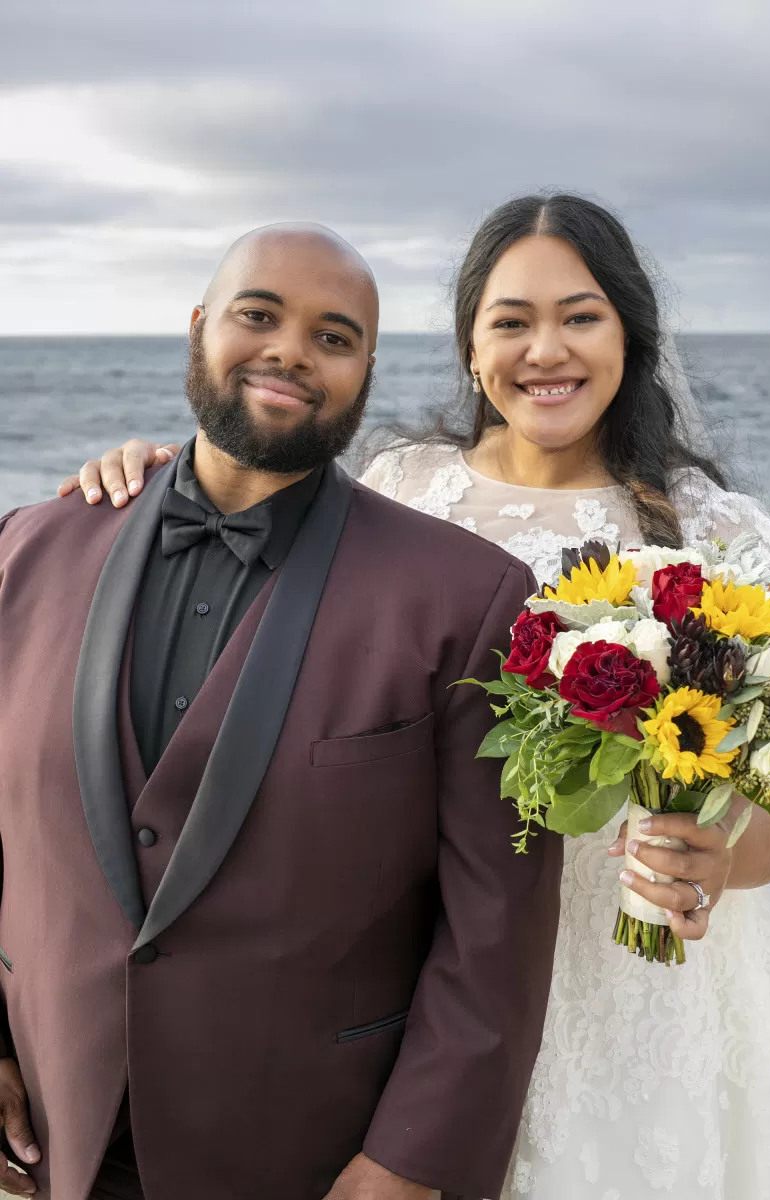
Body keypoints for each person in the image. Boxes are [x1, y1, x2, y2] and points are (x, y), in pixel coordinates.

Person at [75, 195, 770, 1200]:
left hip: (631, 977)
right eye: (509, 321)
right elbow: (249, 532)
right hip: (427, 974)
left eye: (579, 317)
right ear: (468, 348)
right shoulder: (399, 488)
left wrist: (724, 856)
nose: (544, 350)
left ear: (629, 335)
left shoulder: (713, 531)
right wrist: (151, 473)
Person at [0, 223, 564, 1200]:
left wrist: (412, 1160)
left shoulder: (468, 597)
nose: (289, 351)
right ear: (198, 327)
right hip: (63, 1132)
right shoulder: (29, 548)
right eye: (257, 315)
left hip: (312, 1149)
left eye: (333, 336)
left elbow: (497, 925)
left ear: (366, 372)